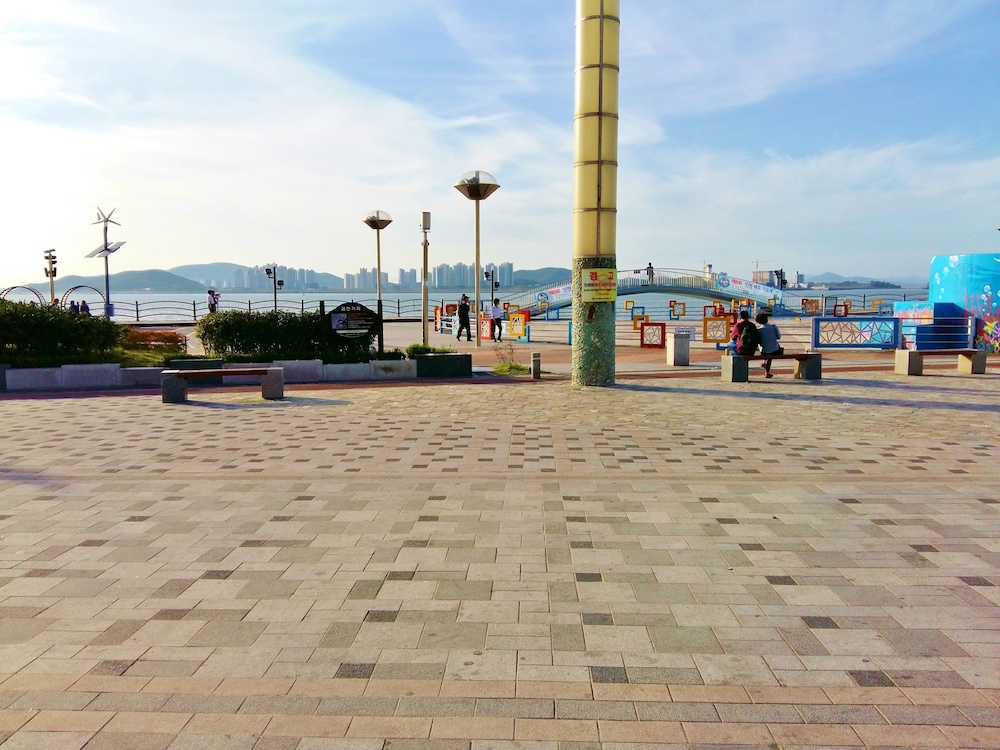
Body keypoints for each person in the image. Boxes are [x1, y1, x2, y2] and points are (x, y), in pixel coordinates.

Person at [755, 312, 782, 378]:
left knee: (766, 351)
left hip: (764, 351)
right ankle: (766, 371)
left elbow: (758, 341)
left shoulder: (759, 330)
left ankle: (764, 363)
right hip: (775, 350)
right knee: (772, 352)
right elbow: (778, 337)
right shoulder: (773, 327)